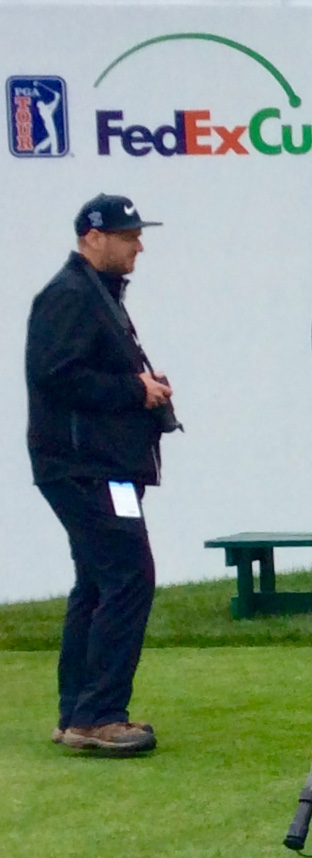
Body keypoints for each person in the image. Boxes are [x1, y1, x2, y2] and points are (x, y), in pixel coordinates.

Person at [26, 193, 173, 756]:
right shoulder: (70, 295)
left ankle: (78, 712)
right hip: (85, 465)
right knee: (129, 575)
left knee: (97, 581)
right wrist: (134, 389)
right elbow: (55, 375)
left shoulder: (92, 293)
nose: (139, 246)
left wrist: (140, 387)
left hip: (94, 464)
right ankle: (99, 715)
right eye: (128, 236)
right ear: (93, 237)